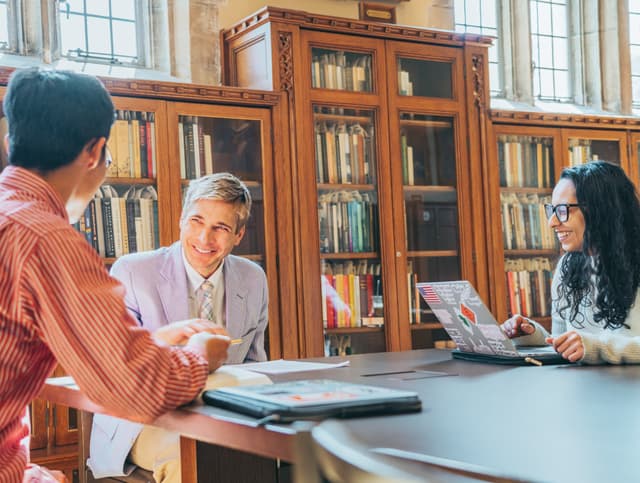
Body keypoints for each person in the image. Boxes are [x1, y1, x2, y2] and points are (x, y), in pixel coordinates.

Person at [0, 67, 231, 483]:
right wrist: (200, 353)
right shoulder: (46, 239)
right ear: (96, 152)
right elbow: (136, 387)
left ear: (8, 141)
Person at [89, 172, 268, 482]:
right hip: (145, 419)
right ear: (182, 220)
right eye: (196, 221)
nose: (204, 238)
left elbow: (254, 365)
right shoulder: (132, 271)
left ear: (239, 235)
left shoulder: (253, 279)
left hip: (224, 416)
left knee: (287, 454)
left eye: (221, 228)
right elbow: (111, 364)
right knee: (194, 462)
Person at [502, 161, 640, 364]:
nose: (553, 222)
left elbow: (592, 347)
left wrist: (598, 348)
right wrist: (530, 335)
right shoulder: (567, 267)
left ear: (600, 210)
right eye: (552, 210)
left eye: (563, 210)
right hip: (582, 388)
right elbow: (560, 340)